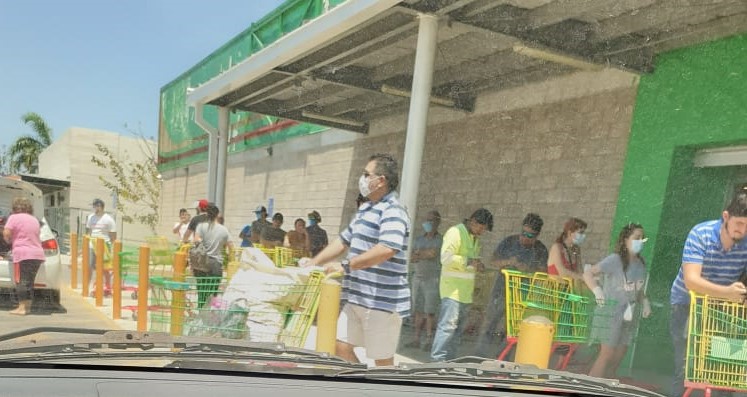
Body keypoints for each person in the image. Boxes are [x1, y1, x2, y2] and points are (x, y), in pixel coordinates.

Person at [304, 153, 410, 367]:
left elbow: (387, 248)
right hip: (357, 298)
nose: (362, 179)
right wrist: (314, 262)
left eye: (366, 174)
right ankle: (363, 383)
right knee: (338, 345)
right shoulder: (366, 209)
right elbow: (343, 241)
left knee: (382, 362)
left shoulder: (393, 211)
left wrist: (346, 266)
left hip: (382, 302)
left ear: (381, 180)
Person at [669, 193, 747, 397]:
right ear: (725, 216)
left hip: (720, 310)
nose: (743, 230)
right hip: (686, 305)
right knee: (687, 370)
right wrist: (728, 293)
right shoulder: (701, 233)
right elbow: (691, 280)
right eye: (739, 223)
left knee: (721, 372)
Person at [583, 223, 652, 379]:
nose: (640, 241)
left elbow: (638, 290)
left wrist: (645, 302)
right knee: (607, 353)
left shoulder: (640, 264)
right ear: (626, 240)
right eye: (636, 238)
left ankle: (607, 385)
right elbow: (588, 273)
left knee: (618, 356)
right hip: (610, 312)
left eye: (642, 238)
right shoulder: (615, 260)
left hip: (628, 315)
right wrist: (596, 290)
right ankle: (591, 387)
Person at [475, 213, 548, 357]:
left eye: (530, 235)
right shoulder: (509, 241)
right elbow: (493, 261)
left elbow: (544, 273)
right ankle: (479, 356)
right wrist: (509, 262)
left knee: (512, 329)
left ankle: (502, 358)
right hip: (500, 291)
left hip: (522, 295)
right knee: (489, 324)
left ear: (537, 235)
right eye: (524, 233)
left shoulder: (540, 249)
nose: (525, 237)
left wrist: (528, 270)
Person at [431, 208, 493, 362]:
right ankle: (437, 360)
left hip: (465, 292)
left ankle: (450, 361)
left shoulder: (473, 237)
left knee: (457, 330)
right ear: (473, 221)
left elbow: (470, 261)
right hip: (451, 290)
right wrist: (468, 262)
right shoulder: (455, 232)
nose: (482, 232)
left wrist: (477, 265)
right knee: (447, 327)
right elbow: (445, 258)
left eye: (484, 229)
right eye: (481, 228)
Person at [406, 210, 443, 351]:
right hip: (418, 278)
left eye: (431, 220)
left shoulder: (440, 240)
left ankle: (428, 340)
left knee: (430, 311)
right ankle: (415, 339)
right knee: (418, 310)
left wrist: (419, 254)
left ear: (437, 222)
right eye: (427, 220)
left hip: (432, 279)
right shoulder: (419, 239)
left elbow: (433, 253)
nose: (428, 223)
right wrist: (423, 254)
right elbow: (412, 257)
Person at [2, 197, 45, 315]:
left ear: (15, 207)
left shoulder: (13, 217)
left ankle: (21, 308)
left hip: (23, 254)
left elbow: (6, 232)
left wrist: (8, 241)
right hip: (37, 254)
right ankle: (28, 307)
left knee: (21, 281)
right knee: (29, 281)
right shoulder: (34, 219)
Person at [193, 203, 233, 308]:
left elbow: (196, 241)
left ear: (206, 214)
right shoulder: (224, 230)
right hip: (216, 264)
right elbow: (231, 247)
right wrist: (229, 259)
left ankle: (200, 315)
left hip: (201, 263)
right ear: (217, 215)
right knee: (213, 292)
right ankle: (210, 317)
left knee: (202, 291)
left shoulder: (201, 227)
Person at [86, 198, 116, 295]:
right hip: (92, 244)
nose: (94, 208)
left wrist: (108, 245)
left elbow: (113, 235)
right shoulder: (91, 217)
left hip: (104, 245)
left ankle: (107, 286)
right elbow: (89, 232)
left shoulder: (108, 219)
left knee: (104, 267)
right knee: (89, 265)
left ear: (100, 207)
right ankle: (86, 286)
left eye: (95, 206)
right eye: (93, 206)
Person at [547, 217, 588, 282]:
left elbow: (579, 271)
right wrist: (582, 278)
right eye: (581, 232)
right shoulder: (557, 248)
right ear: (570, 233)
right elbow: (562, 272)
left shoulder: (576, 249)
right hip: (555, 289)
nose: (583, 236)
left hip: (568, 289)